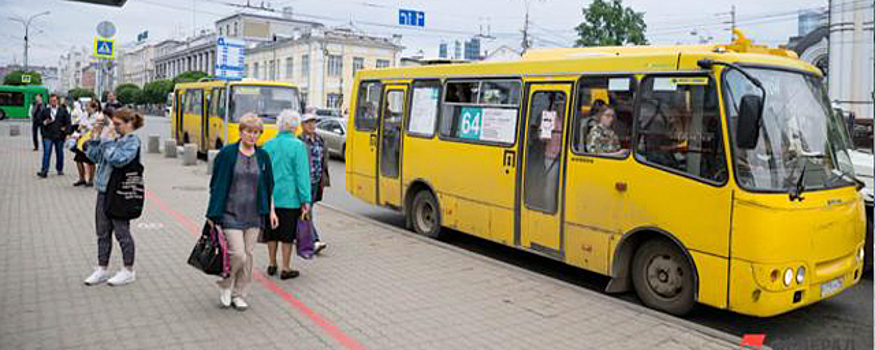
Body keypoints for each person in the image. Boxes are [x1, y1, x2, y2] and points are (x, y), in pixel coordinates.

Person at [206, 113, 277, 310]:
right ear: (241, 132)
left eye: (256, 132)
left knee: (249, 255)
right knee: (238, 254)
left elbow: (269, 186)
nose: (252, 136)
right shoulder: (227, 154)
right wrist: (212, 213)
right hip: (230, 213)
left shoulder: (263, 156)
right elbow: (216, 184)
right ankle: (226, 284)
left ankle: (239, 294)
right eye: (248, 131)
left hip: (254, 214)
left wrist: (271, 211)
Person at [82, 108, 144, 287]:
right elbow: (94, 157)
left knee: (121, 232)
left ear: (129, 123)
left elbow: (118, 160)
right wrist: (95, 136)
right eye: (113, 123)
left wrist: (107, 142)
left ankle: (128, 270)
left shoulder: (132, 142)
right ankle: (102, 268)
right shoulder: (113, 139)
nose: (114, 127)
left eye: (118, 124)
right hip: (103, 190)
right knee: (102, 232)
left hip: (119, 193)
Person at [263, 110, 311, 280]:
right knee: (287, 235)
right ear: (296, 127)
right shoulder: (298, 146)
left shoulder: (268, 145)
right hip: (291, 198)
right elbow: (302, 175)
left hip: (271, 198)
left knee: (272, 232)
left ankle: (271, 263)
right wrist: (306, 200)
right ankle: (285, 267)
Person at [299, 111, 330, 254]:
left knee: (305, 211)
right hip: (304, 181)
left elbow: (324, 161)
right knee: (308, 211)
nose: (311, 125)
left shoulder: (320, 140)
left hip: (316, 181)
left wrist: (324, 179)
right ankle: (314, 241)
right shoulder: (299, 141)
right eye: (308, 123)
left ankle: (298, 235)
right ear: (302, 125)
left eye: (313, 122)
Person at [37, 94, 71, 178]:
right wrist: (44, 122)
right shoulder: (45, 110)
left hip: (59, 135)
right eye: (51, 101)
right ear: (49, 101)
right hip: (48, 135)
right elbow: (39, 120)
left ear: (58, 101)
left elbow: (68, 122)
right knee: (46, 153)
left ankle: (59, 169)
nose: (53, 102)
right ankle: (44, 170)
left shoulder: (63, 110)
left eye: (55, 100)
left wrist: (66, 131)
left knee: (59, 153)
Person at [71, 101, 100, 187]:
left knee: (90, 161)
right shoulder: (84, 114)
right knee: (78, 160)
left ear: (94, 108)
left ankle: (91, 180)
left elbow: (97, 129)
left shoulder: (98, 117)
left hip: (91, 141)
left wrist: (87, 126)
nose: (86, 109)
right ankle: (82, 178)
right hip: (81, 140)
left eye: (88, 107)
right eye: (86, 107)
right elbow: (78, 123)